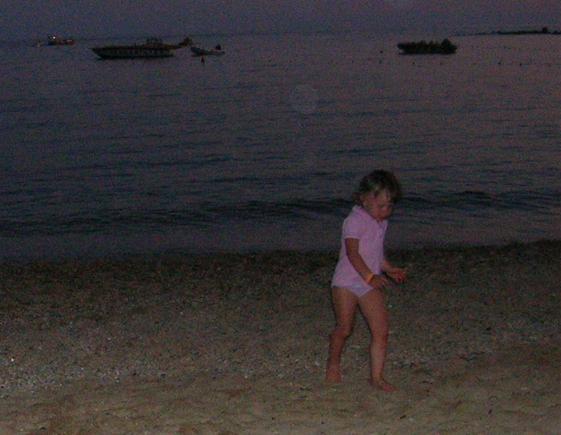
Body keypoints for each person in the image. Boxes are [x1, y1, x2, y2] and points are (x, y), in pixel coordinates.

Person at [326, 169, 407, 392]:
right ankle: (333, 363)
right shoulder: (354, 221)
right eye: (381, 206)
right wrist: (370, 276)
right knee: (345, 328)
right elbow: (353, 253)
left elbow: (376, 254)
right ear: (364, 199)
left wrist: (389, 269)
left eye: (389, 206)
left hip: (368, 283)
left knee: (381, 330)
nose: (385, 211)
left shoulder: (381, 223)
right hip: (346, 282)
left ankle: (376, 378)